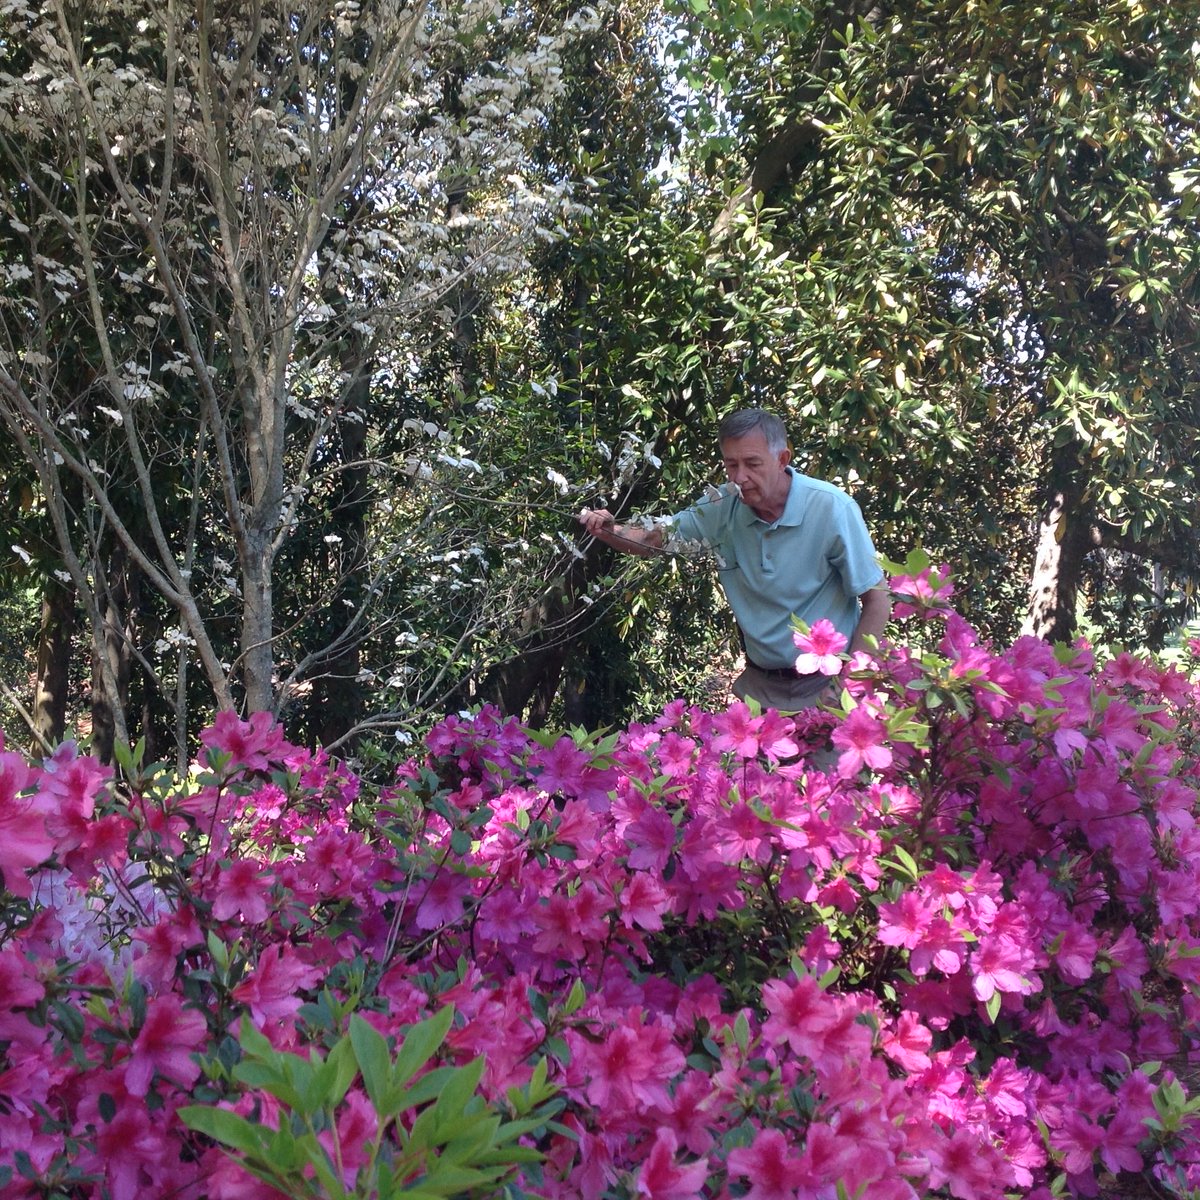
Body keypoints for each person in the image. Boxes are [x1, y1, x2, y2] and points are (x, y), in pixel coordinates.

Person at [578, 409, 890, 711]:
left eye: (752, 464)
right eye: (731, 465)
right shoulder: (723, 505)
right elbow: (653, 540)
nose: (740, 477)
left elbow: (878, 600)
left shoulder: (831, 508)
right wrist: (608, 530)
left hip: (827, 687)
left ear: (783, 459)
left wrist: (847, 687)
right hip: (760, 688)